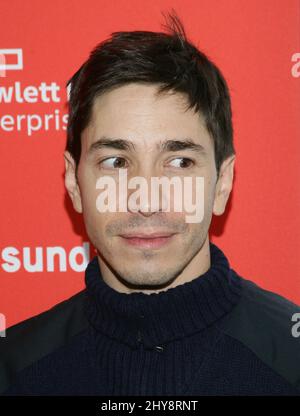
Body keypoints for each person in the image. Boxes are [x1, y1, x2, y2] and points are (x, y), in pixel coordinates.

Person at [1, 11, 299, 396]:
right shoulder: (13, 371)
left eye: (179, 162)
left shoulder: (291, 363)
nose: (146, 201)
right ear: (74, 182)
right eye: (116, 162)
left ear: (222, 183)